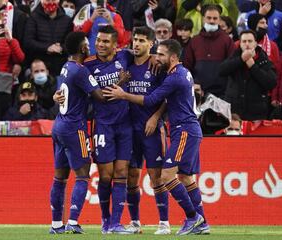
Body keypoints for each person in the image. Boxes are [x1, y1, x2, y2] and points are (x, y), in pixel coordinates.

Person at [103, 39, 209, 235]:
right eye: (156, 54)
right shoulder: (180, 73)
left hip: (184, 129)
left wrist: (123, 94)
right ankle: (203, 224)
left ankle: (193, 218)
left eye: (161, 54)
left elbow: (151, 99)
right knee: (185, 177)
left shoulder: (174, 77)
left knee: (166, 175)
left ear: (174, 57)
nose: (157, 58)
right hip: (186, 129)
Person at [48, 31, 106, 234]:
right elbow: (100, 96)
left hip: (59, 125)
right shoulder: (81, 71)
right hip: (75, 127)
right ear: (82, 48)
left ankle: (56, 225)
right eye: (87, 44)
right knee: (82, 175)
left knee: (60, 178)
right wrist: (122, 83)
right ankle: (72, 221)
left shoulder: (66, 67)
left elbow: (65, 93)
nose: (89, 46)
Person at [83, 25, 133, 234]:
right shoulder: (88, 65)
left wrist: (156, 60)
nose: (100, 45)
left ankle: (115, 223)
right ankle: (105, 220)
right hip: (102, 124)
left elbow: (145, 57)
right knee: (105, 175)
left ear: (115, 45)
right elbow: (95, 93)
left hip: (125, 124)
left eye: (105, 42)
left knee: (122, 173)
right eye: (98, 41)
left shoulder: (126, 57)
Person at [123, 26, 170, 235]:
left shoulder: (157, 67)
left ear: (151, 44)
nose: (137, 44)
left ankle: (164, 223)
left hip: (151, 129)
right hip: (130, 130)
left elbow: (167, 97)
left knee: (156, 177)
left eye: (142, 40)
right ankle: (134, 222)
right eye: (135, 40)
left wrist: (156, 117)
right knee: (131, 176)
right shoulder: (126, 64)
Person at [220, 30, 276, 120]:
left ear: (255, 43)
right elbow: (221, 70)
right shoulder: (235, 56)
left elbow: (271, 83)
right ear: (240, 43)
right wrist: (241, 59)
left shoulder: (264, 59)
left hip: (256, 112)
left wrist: (253, 67)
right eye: (244, 41)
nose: (247, 44)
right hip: (234, 112)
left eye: (250, 41)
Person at [184, 4, 235, 98]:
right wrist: (192, 85)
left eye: (215, 18)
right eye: (209, 18)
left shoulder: (227, 41)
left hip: (221, 94)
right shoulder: (195, 41)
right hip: (198, 93)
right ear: (204, 19)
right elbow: (187, 67)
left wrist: (228, 93)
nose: (212, 21)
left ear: (219, 20)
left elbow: (232, 68)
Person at [24, 0, 73, 77]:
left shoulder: (67, 20)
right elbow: (28, 42)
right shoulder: (33, 18)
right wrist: (47, 47)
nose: (50, 2)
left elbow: (70, 43)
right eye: (47, 0)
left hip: (60, 67)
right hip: (39, 67)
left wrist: (61, 48)